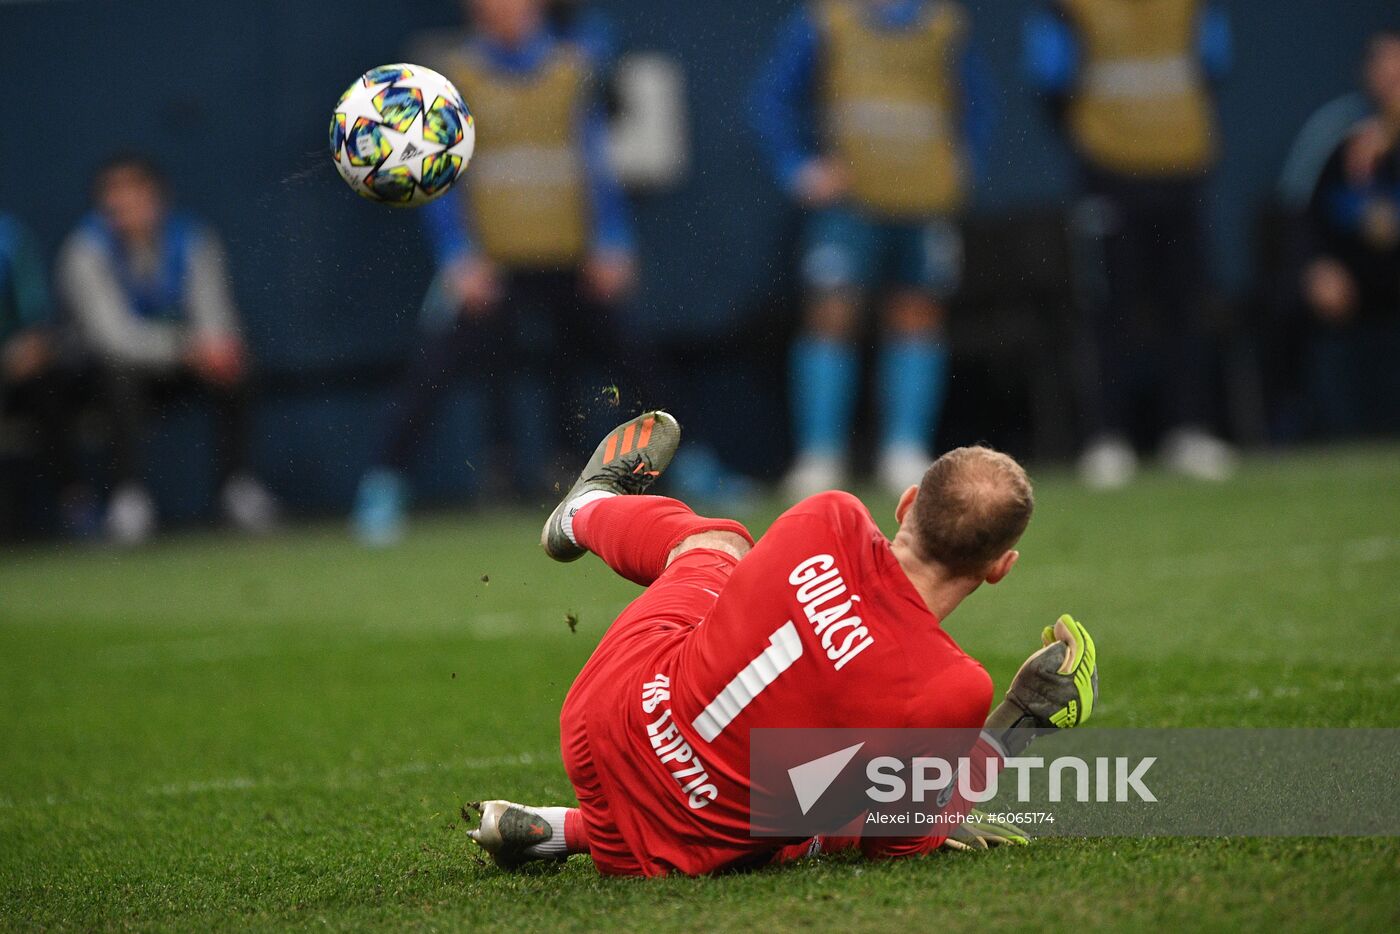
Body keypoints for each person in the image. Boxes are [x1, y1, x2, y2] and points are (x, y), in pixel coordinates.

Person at [464, 410, 1099, 876]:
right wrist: (1017, 725)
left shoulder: (829, 515)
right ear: (1000, 567)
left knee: (718, 551)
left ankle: (583, 511)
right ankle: (574, 828)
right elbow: (900, 843)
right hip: (687, 844)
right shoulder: (951, 688)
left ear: (906, 505)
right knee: (828, 802)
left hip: (602, 720)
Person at [353, 0, 637, 546]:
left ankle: (693, 463)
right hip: (490, 264)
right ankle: (382, 486)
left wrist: (613, 240)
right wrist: (458, 254)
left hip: (569, 257)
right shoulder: (453, 80)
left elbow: (593, 156)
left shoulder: (575, 65)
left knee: (632, 355)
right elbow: (435, 172)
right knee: (433, 368)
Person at [748, 0, 995, 499]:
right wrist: (798, 167)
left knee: (917, 314)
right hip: (850, 202)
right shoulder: (824, 22)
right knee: (831, 315)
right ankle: (821, 454)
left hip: (923, 200)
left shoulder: (944, 24)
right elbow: (769, 99)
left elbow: (982, 102)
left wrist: (967, 163)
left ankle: (904, 450)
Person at [1024, 0, 1236, 488]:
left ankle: (1188, 429)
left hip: (1183, 167)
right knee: (1108, 308)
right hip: (1109, 172)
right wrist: (1095, 141)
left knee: (1186, 302)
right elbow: (1050, 79)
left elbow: (1214, 64)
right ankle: (1107, 438)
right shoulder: (1068, 8)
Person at [56, 154, 277, 544]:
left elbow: (215, 311)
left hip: (183, 363)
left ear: (157, 198)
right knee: (116, 371)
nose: (125, 209)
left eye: (135, 196)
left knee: (235, 362)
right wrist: (186, 348)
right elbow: (112, 336)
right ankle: (130, 498)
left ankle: (237, 487)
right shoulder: (85, 250)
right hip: (109, 372)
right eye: (115, 202)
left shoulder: (192, 239)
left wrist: (214, 348)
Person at [1298, 29, 1400, 437]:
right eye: (1383, 65)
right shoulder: (1338, 132)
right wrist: (1316, 267)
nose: (1392, 76)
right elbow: (1303, 217)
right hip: (1356, 291)